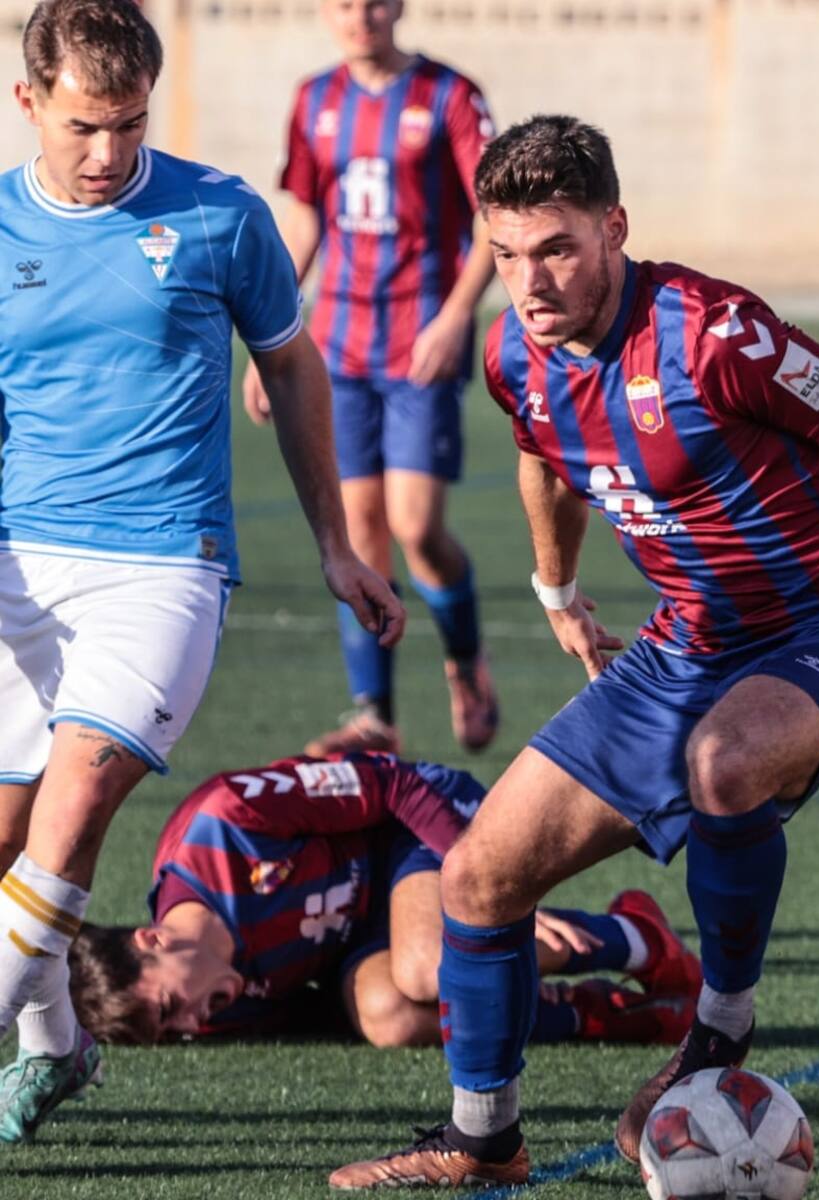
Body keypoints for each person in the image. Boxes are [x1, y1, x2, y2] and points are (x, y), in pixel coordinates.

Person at [328, 114, 819, 1190]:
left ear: (615, 228)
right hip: (684, 648)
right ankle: (484, 1142)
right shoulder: (515, 350)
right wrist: (557, 588)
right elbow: (545, 461)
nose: (531, 281)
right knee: (478, 877)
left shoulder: (713, 334)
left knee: (726, 764)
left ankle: (718, 1030)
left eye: (558, 247)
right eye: (508, 255)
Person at [0, 0, 403, 1145]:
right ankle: (57, 1044)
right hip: (21, 562)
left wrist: (335, 541)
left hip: (164, 567)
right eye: (85, 125)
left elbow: (295, 368)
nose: (110, 152)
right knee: (6, 848)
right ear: (29, 102)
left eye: (130, 124)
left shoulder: (221, 216)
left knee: (72, 812)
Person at [242, 0, 500, 756]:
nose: (362, 17)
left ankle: (464, 660)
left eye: (375, 2)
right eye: (345, 4)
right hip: (339, 350)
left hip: (419, 342)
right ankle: (375, 717)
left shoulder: (451, 96)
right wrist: (272, 334)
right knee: (359, 536)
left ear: (400, 8)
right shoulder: (313, 100)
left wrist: (455, 317)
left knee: (417, 529)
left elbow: (491, 219)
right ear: (327, 13)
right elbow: (308, 222)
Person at [65, 751, 699, 1053]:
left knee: (425, 966)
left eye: (170, 1007)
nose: (189, 1026)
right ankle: (602, 1015)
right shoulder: (214, 1000)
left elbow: (391, 783)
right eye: (171, 1032)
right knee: (390, 1016)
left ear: (152, 938)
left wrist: (487, 886)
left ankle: (637, 936)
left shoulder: (225, 824)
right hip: (364, 933)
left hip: (415, 832)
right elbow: (325, 1016)